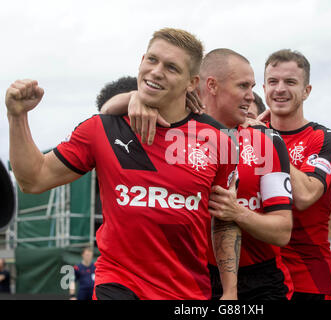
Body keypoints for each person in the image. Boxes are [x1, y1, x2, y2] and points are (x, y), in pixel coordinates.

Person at [5, 27, 241, 300]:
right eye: (152, 60)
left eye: (172, 67)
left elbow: (224, 220)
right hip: (118, 283)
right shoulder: (101, 128)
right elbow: (33, 179)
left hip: (187, 290)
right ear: (141, 61)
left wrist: (230, 290)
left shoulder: (220, 140)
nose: (156, 71)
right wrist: (17, 116)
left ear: (192, 83)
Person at [102, 48, 294, 300]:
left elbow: (282, 231)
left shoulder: (266, 141)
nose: (252, 96)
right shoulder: (172, 130)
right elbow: (104, 117)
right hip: (189, 278)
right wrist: (133, 97)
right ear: (212, 85)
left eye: (252, 87)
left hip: (260, 281)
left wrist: (237, 212)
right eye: (243, 86)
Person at [261, 49, 331, 300]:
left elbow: (306, 195)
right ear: (264, 88)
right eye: (273, 82)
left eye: (290, 82)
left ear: (307, 90)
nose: (280, 89)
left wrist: (268, 139)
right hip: (261, 276)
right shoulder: (248, 133)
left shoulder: (324, 139)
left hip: (309, 279)